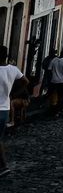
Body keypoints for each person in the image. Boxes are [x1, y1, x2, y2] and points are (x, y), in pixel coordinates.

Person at [0, 45, 29, 177]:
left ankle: (4, 165)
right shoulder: (13, 70)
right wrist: (13, 93)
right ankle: (3, 166)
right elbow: (26, 81)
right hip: (5, 109)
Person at [48, 49, 63, 117]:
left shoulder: (54, 60)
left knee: (53, 96)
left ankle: (54, 111)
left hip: (53, 81)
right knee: (61, 97)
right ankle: (58, 111)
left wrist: (51, 77)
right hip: (62, 81)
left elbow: (49, 70)